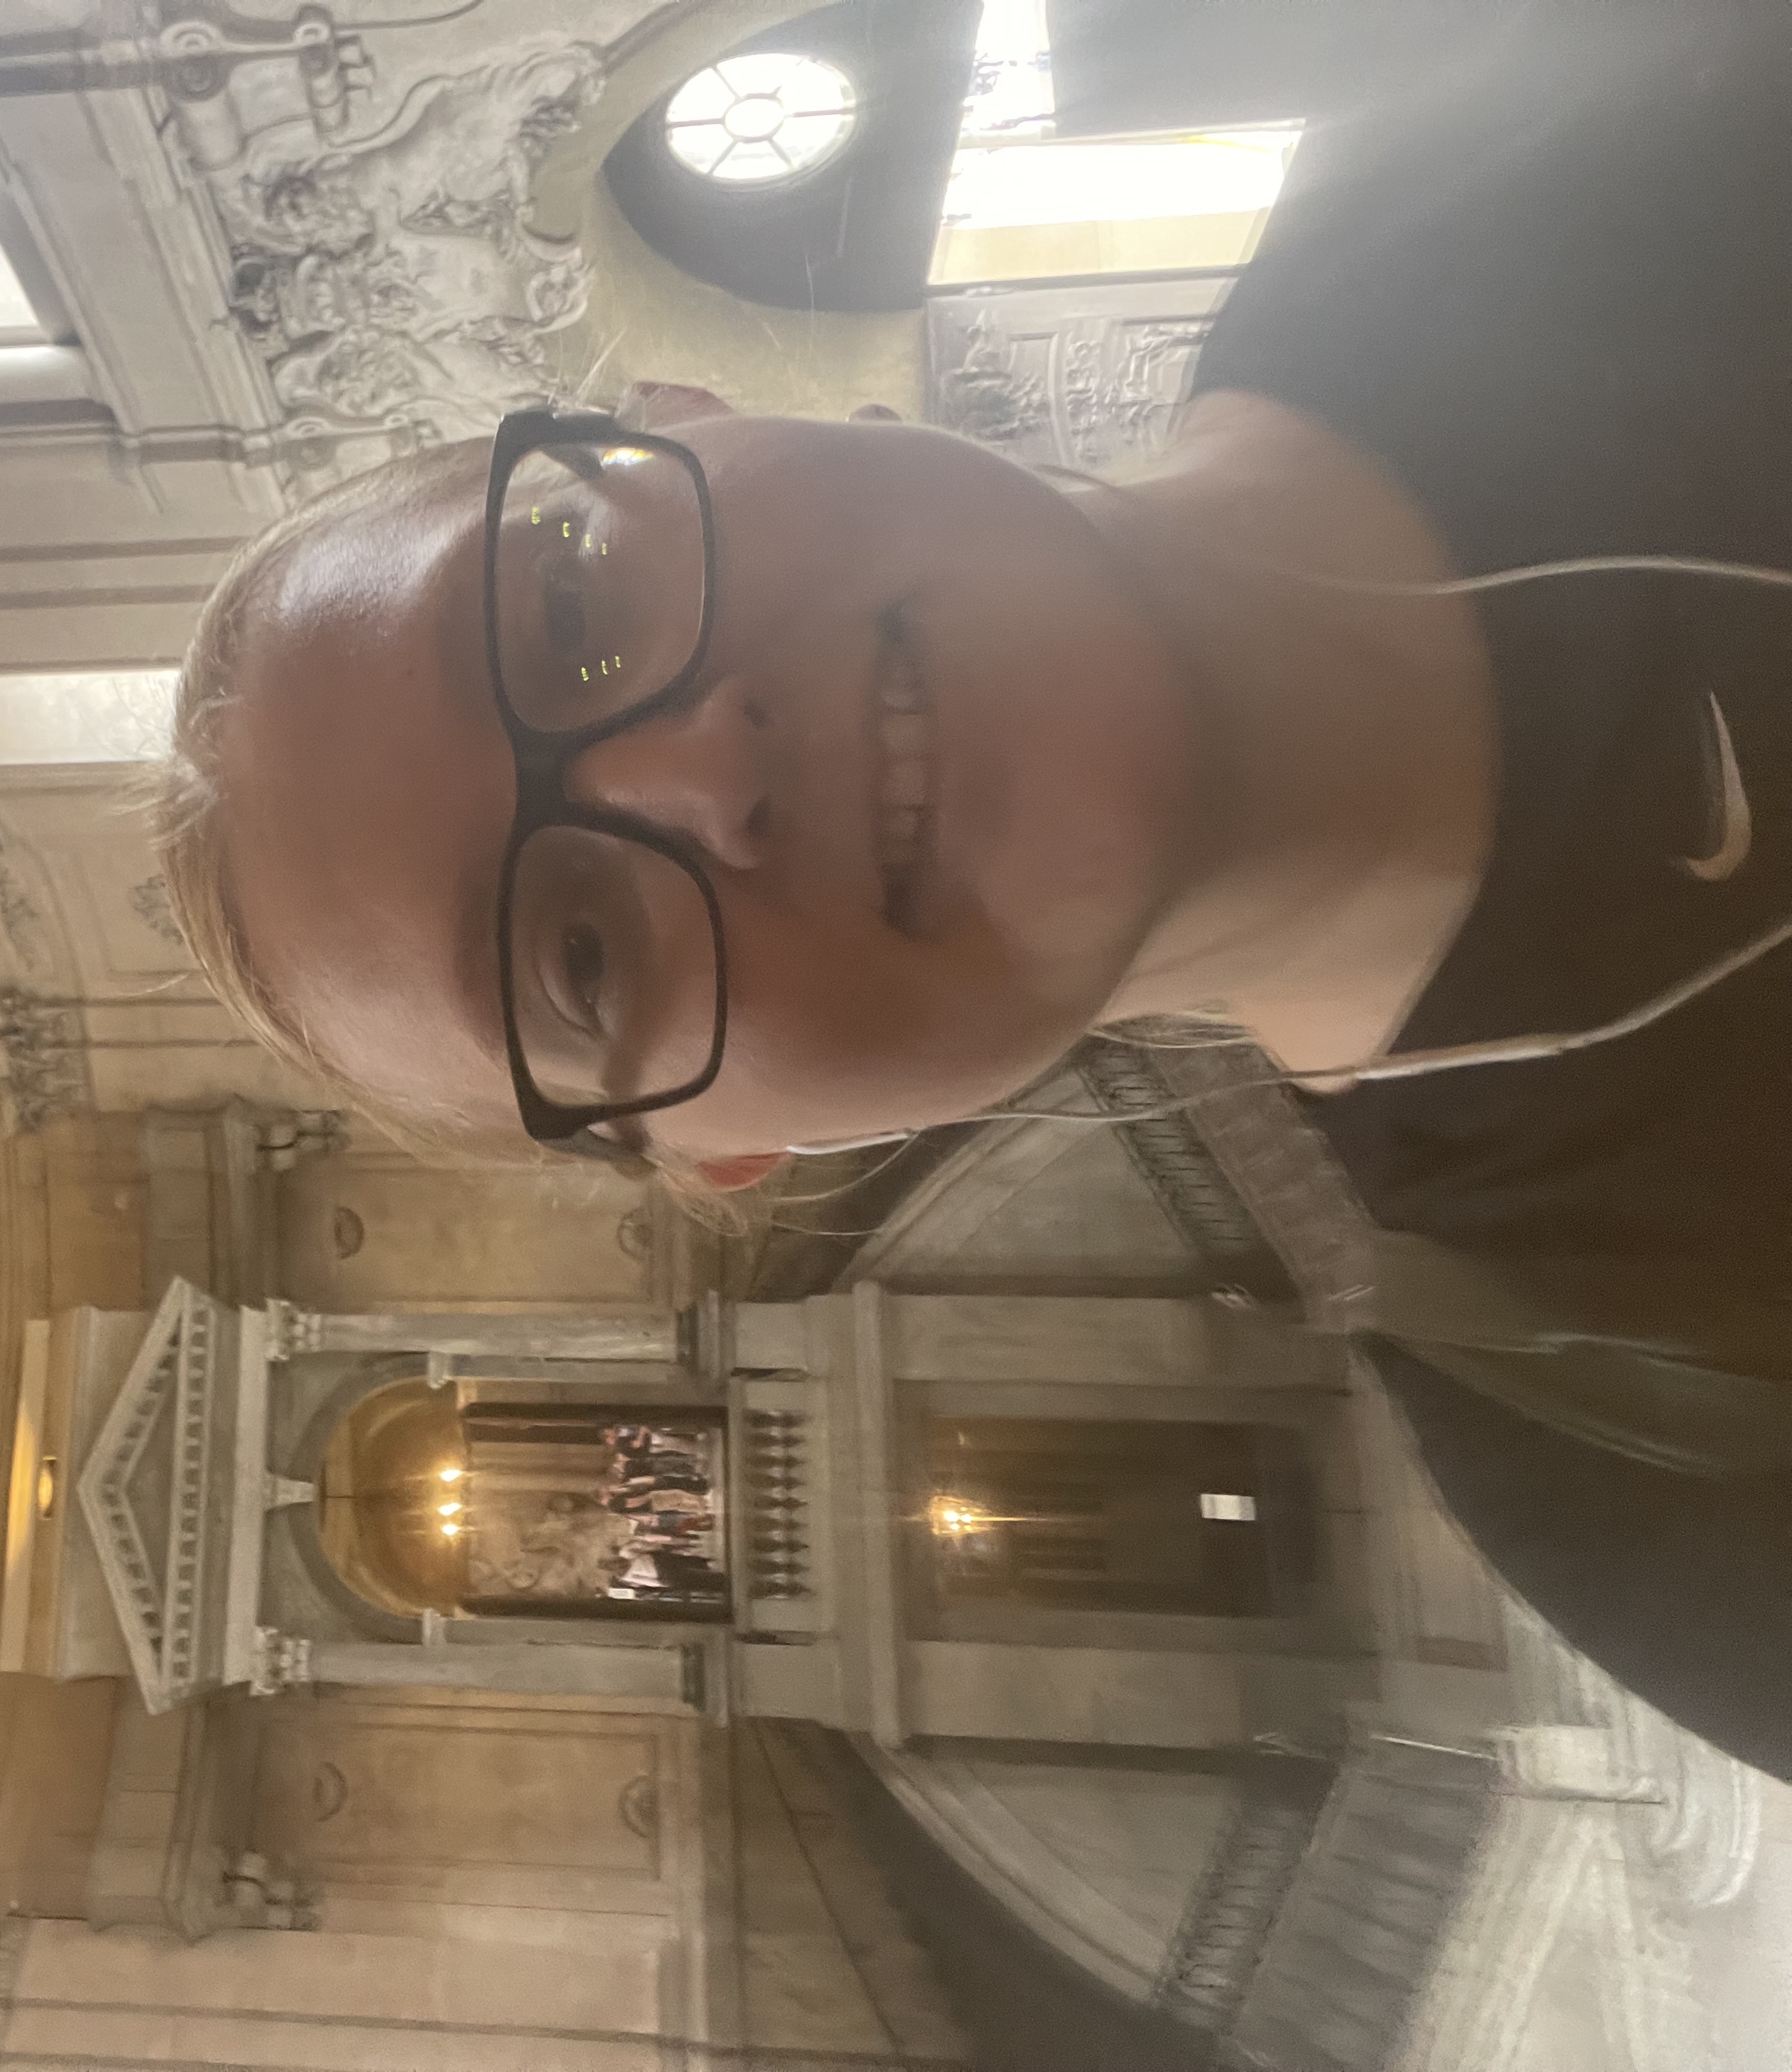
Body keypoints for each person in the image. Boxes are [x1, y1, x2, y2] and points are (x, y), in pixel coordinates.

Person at [152, 14, 1792, 1776]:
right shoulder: (1665, 1485)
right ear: (731, 1147)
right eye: (575, 952)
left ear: (687, 417)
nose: (703, 775)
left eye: (567, 608)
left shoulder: (1574, 105)